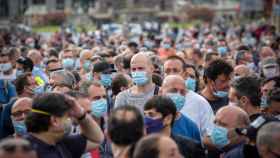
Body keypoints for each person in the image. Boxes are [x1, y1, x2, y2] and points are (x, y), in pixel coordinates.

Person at [25, 93, 104, 158]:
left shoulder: (62, 143)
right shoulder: (23, 151)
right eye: (68, 116)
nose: (70, 120)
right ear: (54, 121)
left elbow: (97, 139)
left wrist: (81, 115)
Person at [160, 75, 203, 142]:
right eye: (173, 91)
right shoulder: (149, 121)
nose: (178, 95)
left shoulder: (191, 127)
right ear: (160, 92)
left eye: (182, 92)